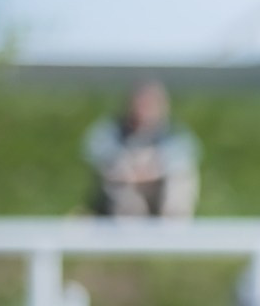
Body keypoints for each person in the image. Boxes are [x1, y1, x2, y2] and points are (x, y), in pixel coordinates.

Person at [84, 80, 200, 219]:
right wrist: (127, 167)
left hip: (158, 190)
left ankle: (174, 228)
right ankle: (129, 231)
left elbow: (185, 157)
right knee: (120, 186)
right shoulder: (113, 129)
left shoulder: (173, 132)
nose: (145, 109)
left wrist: (153, 167)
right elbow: (97, 152)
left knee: (181, 179)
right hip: (123, 189)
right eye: (142, 104)